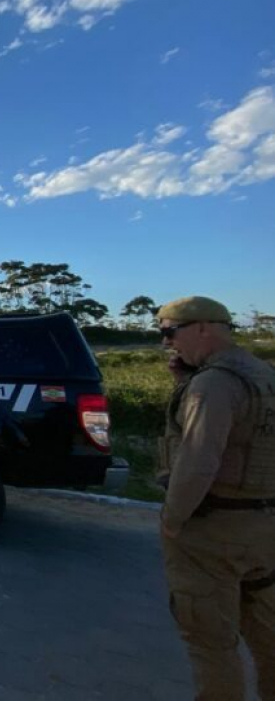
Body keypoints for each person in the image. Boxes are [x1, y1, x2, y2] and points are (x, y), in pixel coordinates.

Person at [156, 296, 275, 701]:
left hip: (214, 529)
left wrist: (172, 521)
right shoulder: (263, 373)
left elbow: (198, 462)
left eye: (170, 332)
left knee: (211, 643)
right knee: (267, 636)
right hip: (263, 526)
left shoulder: (213, 384)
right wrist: (184, 382)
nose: (166, 343)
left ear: (203, 328)